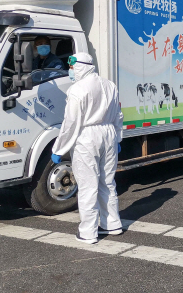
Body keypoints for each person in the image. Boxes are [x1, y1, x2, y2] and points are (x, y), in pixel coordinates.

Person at [51, 52, 124, 244]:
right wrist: (117, 138)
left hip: (87, 137)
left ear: (81, 67)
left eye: (72, 67)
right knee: (107, 182)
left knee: (88, 185)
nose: (71, 71)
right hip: (108, 134)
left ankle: (88, 232)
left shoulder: (77, 90)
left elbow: (71, 123)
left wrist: (59, 149)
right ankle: (112, 223)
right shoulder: (110, 85)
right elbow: (118, 114)